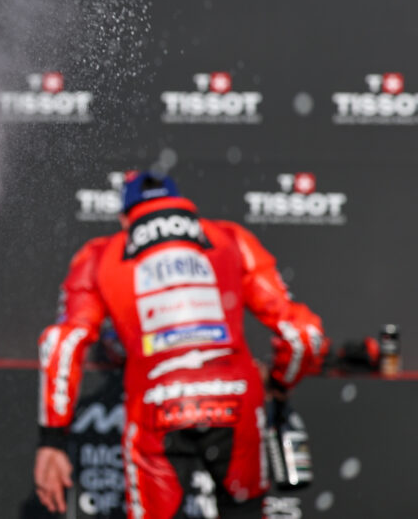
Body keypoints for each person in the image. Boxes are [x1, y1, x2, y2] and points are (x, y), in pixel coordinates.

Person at [34, 171, 328, 518]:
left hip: (156, 410)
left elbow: (62, 344)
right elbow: (303, 336)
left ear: (125, 218)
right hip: (236, 404)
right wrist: (280, 383)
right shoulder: (231, 238)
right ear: (181, 203)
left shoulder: (100, 254)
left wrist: (53, 440)